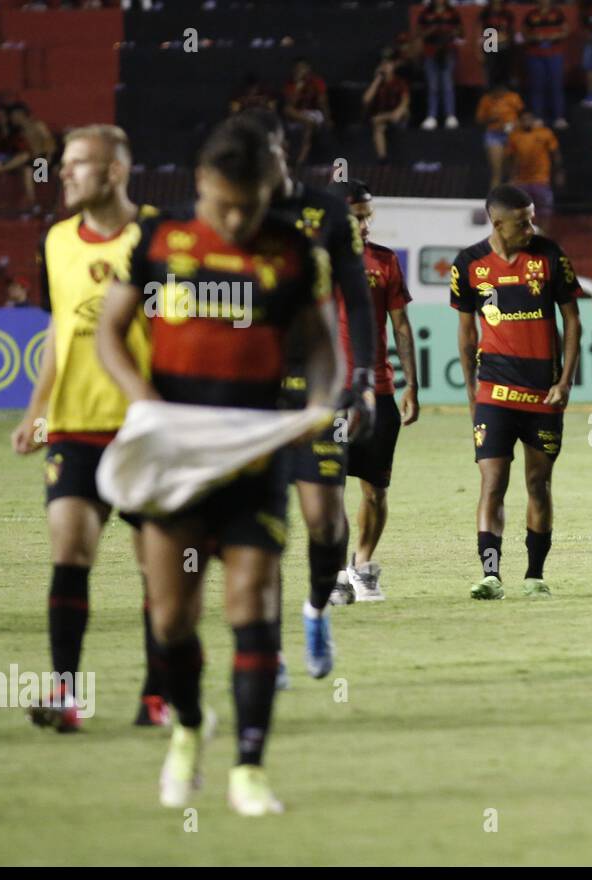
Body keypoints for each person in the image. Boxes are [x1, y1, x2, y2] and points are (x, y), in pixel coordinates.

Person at [94, 117, 340, 814]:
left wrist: (323, 397)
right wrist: (146, 404)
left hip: (253, 453)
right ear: (200, 183)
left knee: (251, 599)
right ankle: (190, 729)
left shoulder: (293, 252)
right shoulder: (158, 240)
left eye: (253, 204)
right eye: (225, 203)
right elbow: (108, 332)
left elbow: (322, 347)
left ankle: (250, 768)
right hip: (172, 456)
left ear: (273, 189)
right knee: (172, 617)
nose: (237, 218)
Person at [9, 124, 165, 732]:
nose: (62, 172)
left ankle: (158, 694)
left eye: (77, 163)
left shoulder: (161, 234)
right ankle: (67, 693)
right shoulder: (55, 241)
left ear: (115, 171)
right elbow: (58, 332)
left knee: (159, 569)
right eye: (64, 163)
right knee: (70, 551)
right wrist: (36, 411)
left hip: (145, 429)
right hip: (75, 426)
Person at [242, 109, 376, 681]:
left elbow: (357, 296)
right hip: (251, 387)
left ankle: (316, 608)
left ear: (284, 152)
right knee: (261, 525)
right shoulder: (232, 215)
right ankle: (267, 648)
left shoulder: (327, 213)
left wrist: (364, 379)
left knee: (324, 519)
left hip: (319, 383)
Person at [452, 185, 582, 599]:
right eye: (522, 221)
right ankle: (491, 575)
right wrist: (471, 390)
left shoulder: (549, 255)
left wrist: (565, 381)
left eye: (532, 217)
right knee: (492, 483)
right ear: (497, 223)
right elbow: (467, 330)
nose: (532, 226)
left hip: (543, 395)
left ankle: (534, 574)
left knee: (538, 483)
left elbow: (572, 320)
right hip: (494, 392)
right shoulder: (469, 263)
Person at [337, 180, 419, 602]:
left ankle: (362, 565)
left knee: (375, 488)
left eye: (369, 215)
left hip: (380, 392)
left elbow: (402, 327)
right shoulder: (317, 262)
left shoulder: (384, 261)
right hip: (330, 394)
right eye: (357, 216)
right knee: (328, 487)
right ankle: (334, 573)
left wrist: (412, 387)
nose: (365, 223)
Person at [505, 110, 562, 225]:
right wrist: (511, 178)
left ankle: (544, 239)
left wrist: (559, 172)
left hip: (541, 180)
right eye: (523, 119)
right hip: (521, 182)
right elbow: (510, 159)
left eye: (529, 119)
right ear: (519, 121)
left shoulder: (545, 133)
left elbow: (555, 154)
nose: (526, 122)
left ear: (533, 120)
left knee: (545, 212)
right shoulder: (514, 136)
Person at [417, 0, 463, 130]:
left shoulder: (452, 13)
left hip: (447, 52)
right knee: (433, 86)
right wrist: (432, 30)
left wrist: (451, 32)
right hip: (430, 52)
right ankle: (432, 116)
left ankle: (450, 115)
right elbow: (419, 33)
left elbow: (460, 32)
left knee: (447, 84)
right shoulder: (426, 13)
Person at [523, 0, 569, 130]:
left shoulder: (558, 14)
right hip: (535, 55)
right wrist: (534, 38)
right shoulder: (531, 15)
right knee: (537, 86)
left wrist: (556, 35)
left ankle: (559, 117)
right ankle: (538, 117)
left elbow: (566, 30)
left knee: (556, 85)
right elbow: (524, 33)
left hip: (554, 54)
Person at [363, 54, 411, 164]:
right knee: (378, 127)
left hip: (397, 116)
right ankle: (382, 158)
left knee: (403, 112)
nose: (385, 67)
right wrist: (377, 80)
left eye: (388, 65)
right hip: (382, 117)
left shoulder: (399, 82)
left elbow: (405, 102)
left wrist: (395, 113)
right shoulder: (378, 84)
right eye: (383, 65)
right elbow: (366, 100)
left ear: (393, 66)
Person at [477, 81, 525, 190]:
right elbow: (480, 119)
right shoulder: (486, 100)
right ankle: (494, 202)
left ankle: (511, 200)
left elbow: (523, 115)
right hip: (494, 135)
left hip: (512, 135)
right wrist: (491, 119)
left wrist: (515, 124)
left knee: (511, 170)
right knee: (496, 171)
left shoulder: (513, 98)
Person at [281, 57, 330, 165]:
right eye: (297, 68)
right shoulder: (290, 84)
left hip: (314, 113)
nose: (300, 70)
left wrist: (328, 119)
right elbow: (290, 105)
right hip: (298, 115)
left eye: (302, 68)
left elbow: (323, 103)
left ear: (308, 69)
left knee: (308, 124)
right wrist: (298, 86)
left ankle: (302, 159)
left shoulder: (316, 81)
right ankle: (292, 158)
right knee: (288, 110)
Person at [477, 0, 517, 88]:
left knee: (505, 77)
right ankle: (491, 100)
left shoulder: (507, 13)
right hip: (490, 46)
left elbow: (512, 32)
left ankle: (505, 101)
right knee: (491, 77)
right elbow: (480, 33)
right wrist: (479, 51)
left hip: (504, 46)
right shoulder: (485, 13)